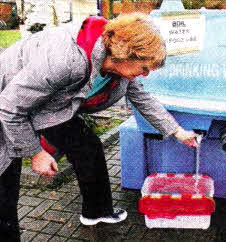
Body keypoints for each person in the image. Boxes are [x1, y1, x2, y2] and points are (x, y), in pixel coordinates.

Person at [0, 13, 197, 242]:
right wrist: (34, 153)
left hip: (50, 107)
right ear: (126, 54)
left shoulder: (118, 70)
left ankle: (96, 212)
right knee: (5, 184)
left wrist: (177, 132)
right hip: (8, 101)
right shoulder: (68, 59)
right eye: (144, 67)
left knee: (88, 146)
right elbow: (9, 108)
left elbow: (144, 99)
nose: (146, 74)